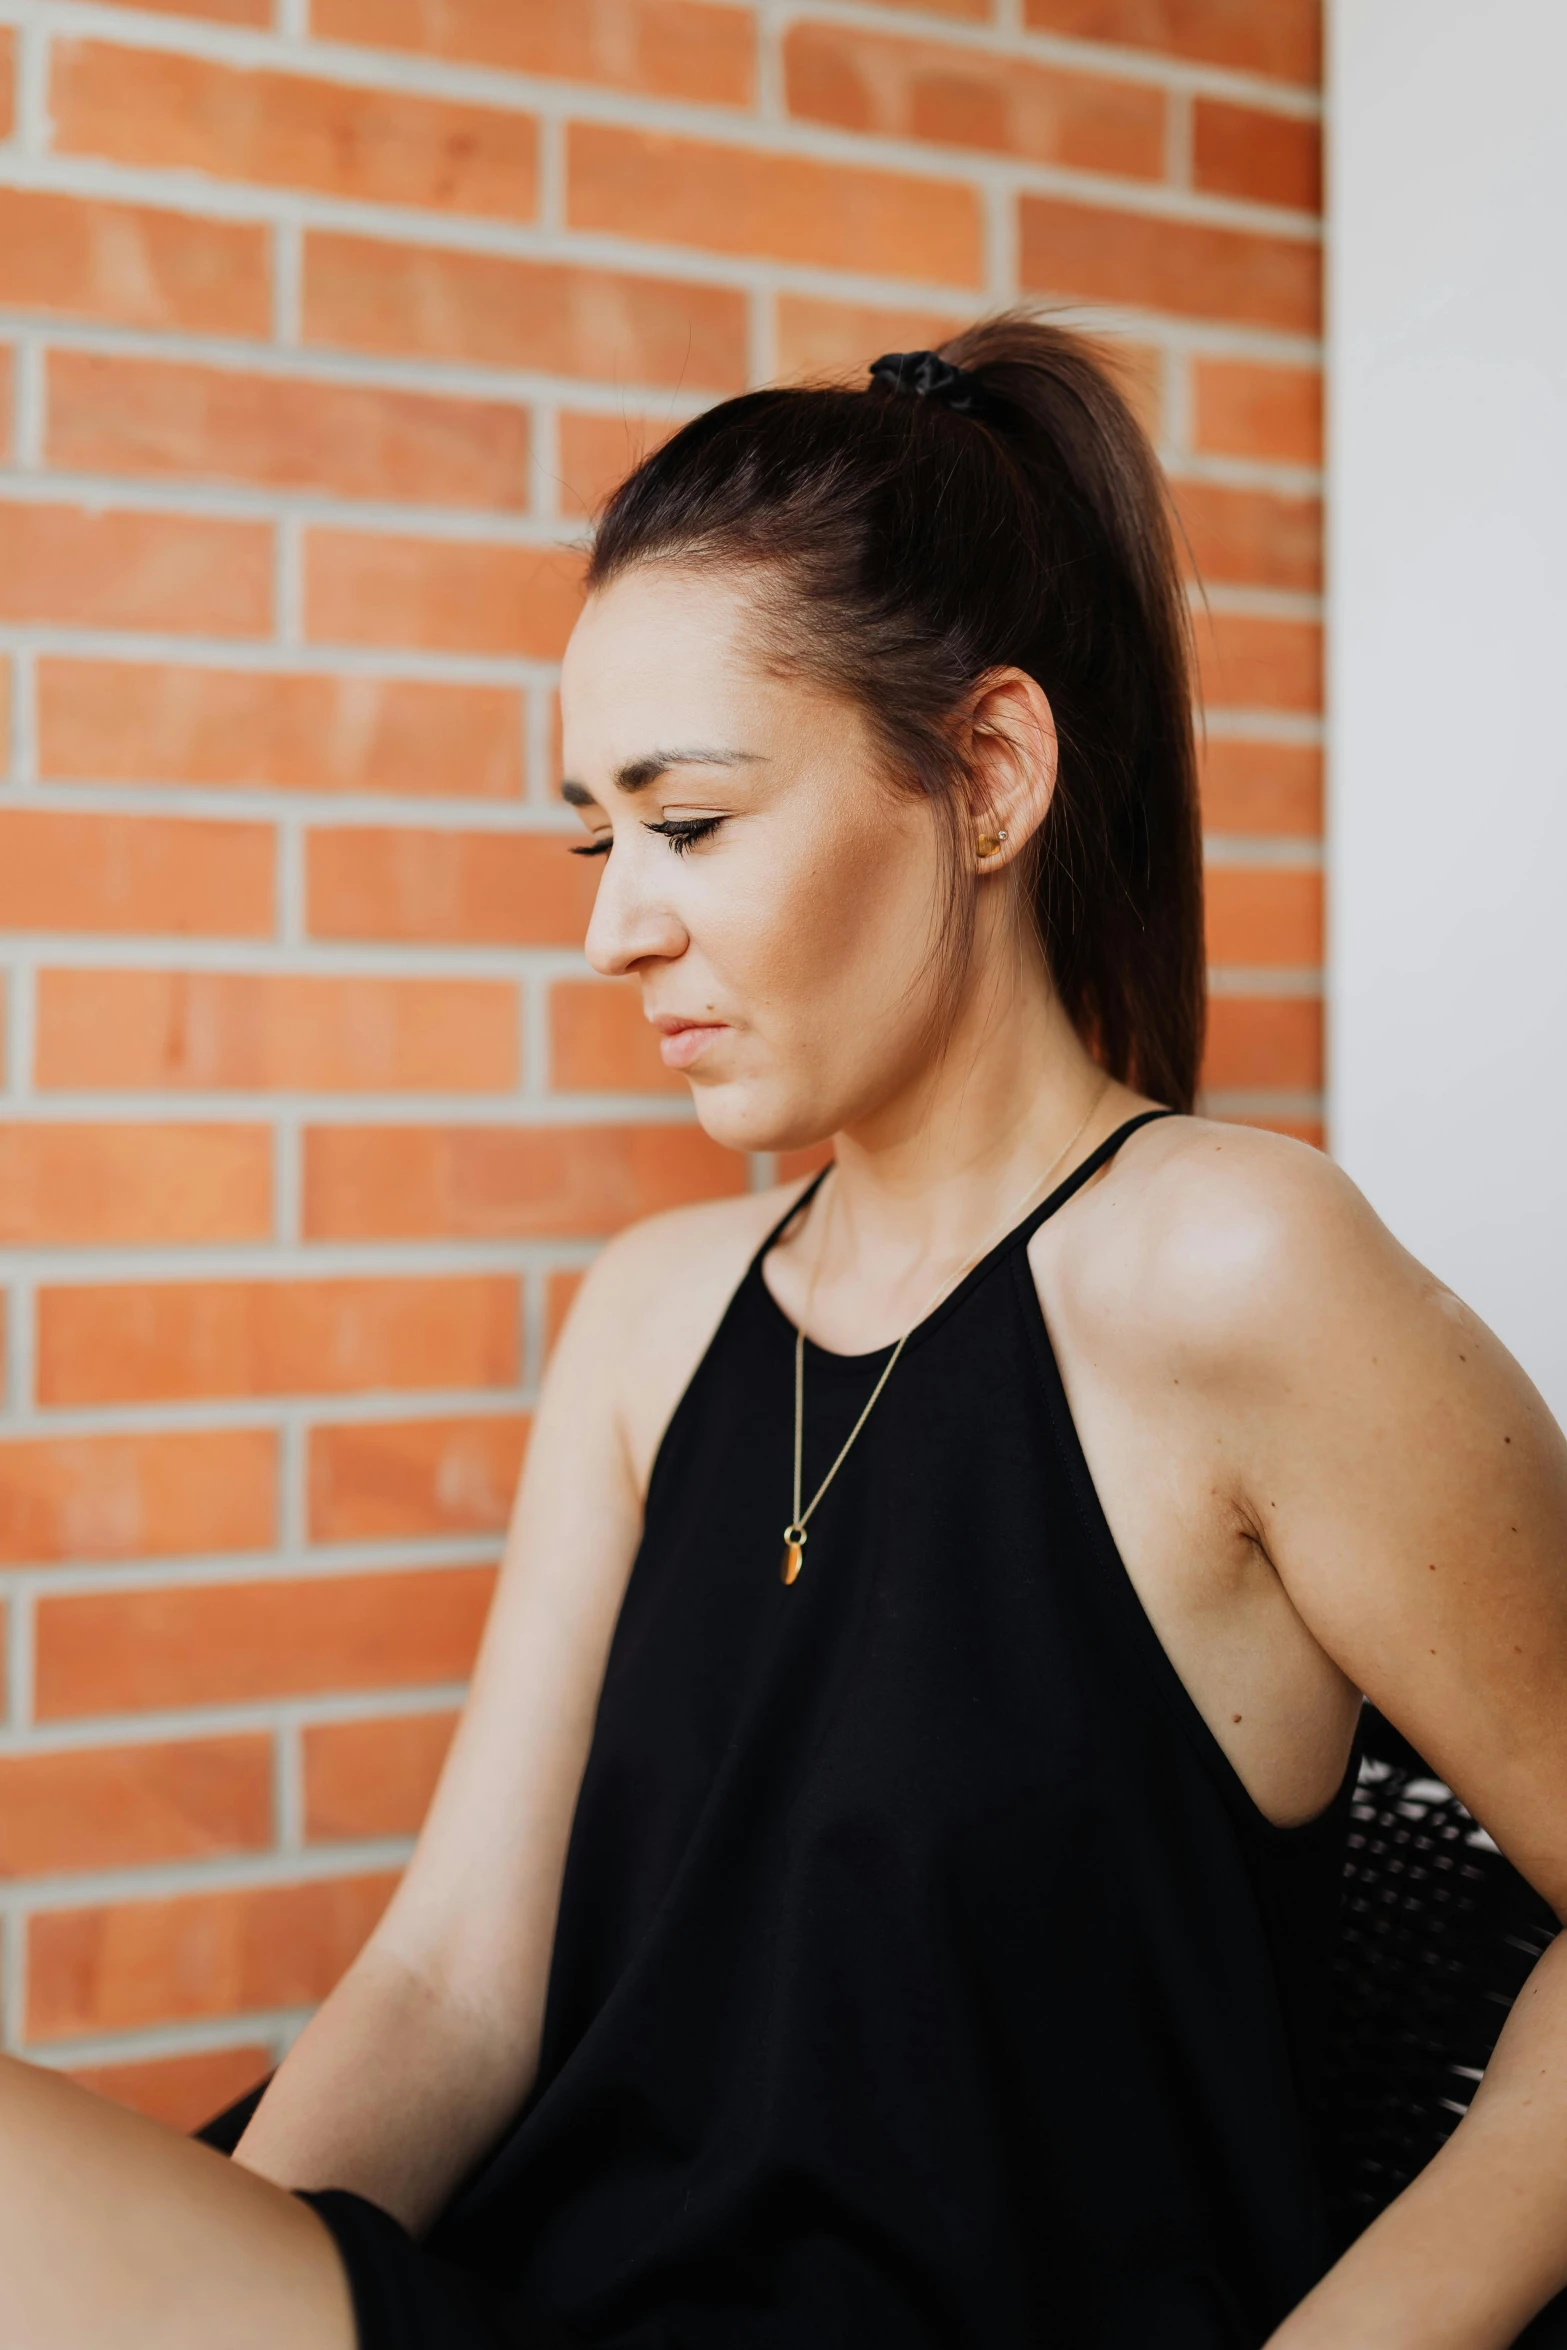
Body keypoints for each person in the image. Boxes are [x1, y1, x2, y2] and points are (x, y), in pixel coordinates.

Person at [3, 316, 1566, 2350]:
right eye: (596, 832)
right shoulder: (652, 1320)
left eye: (693, 823)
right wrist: (235, 2281)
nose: (611, 924)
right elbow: (452, 1988)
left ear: (987, 774)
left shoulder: (1231, 1272)